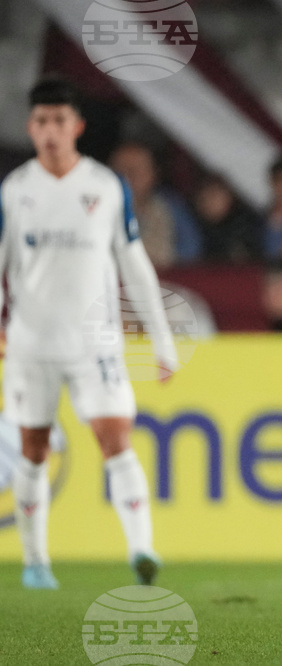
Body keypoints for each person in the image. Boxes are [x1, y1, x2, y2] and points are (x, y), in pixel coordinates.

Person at [0, 78, 178, 589]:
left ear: (75, 126)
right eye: (41, 122)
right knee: (33, 449)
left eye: (59, 121)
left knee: (115, 438)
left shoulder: (104, 186)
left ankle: (143, 550)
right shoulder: (15, 191)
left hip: (94, 342)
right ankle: (36, 561)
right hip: (31, 345)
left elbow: (135, 264)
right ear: (30, 128)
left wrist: (161, 338)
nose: (50, 131)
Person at [109, 141, 202, 267]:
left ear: (153, 173)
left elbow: (192, 249)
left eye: (137, 170)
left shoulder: (170, 206)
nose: (129, 176)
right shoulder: (95, 210)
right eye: (122, 169)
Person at [194, 173, 264, 263]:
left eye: (214, 196)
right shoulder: (195, 227)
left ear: (229, 197)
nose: (210, 202)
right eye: (204, 198)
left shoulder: (247, 226)